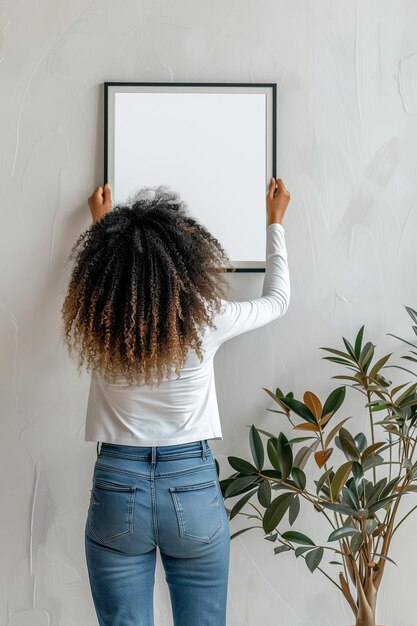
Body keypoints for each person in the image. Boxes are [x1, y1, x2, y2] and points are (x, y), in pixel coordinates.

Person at [61, 177, 291, 626]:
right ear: (184, 263)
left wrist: (103, 227)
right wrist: (275, 222)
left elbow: (110, 280)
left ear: (108, 265)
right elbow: (277, 300)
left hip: (117, 482)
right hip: (192, 485)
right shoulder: (208, 320)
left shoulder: (99, 319)